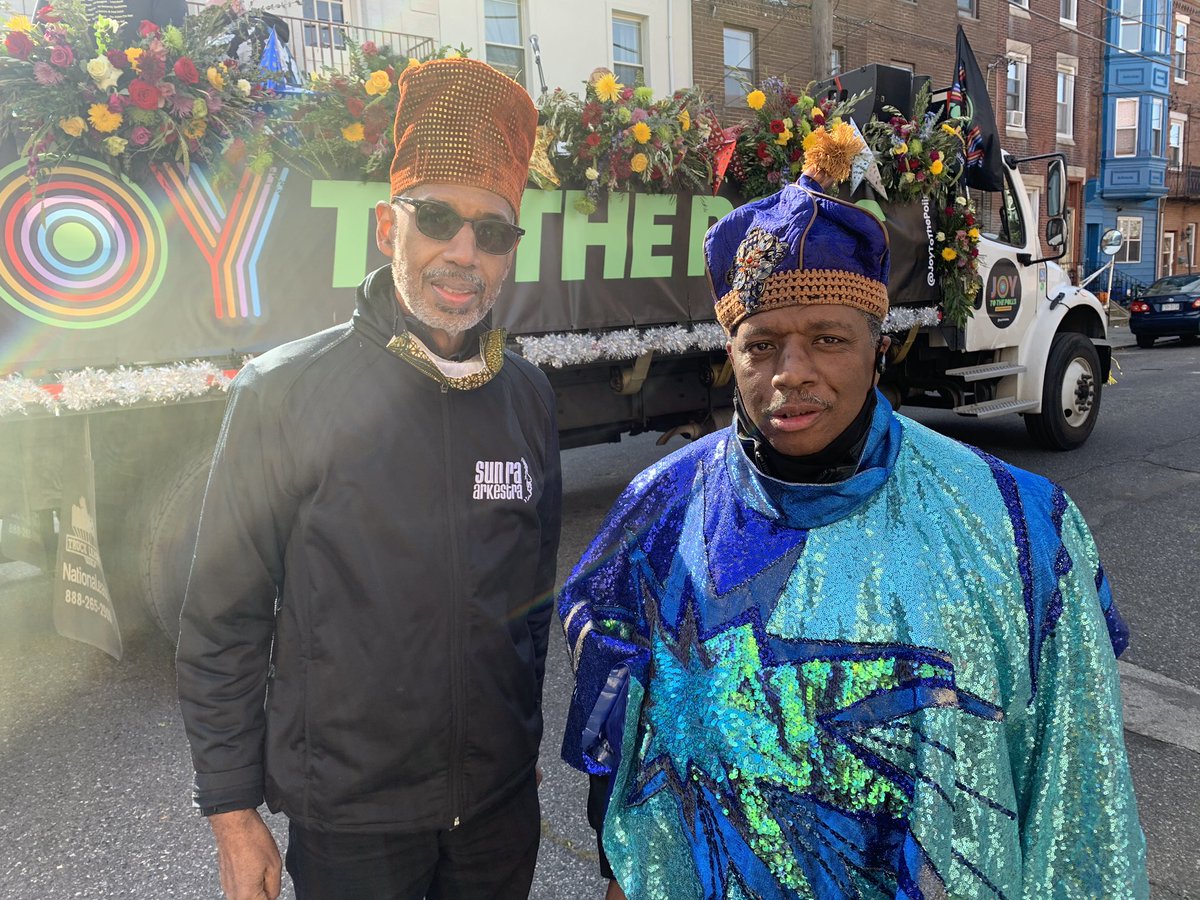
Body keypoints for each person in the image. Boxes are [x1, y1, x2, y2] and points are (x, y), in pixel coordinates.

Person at [559, 160, 1148, 896]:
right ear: (731, 358)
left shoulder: (1019, 526)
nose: (791, 373)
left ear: (878, 348)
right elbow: (620, 757)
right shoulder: (659, 515)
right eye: (761, 345)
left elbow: (1078, 797)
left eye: (829, 339)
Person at [177, 58, 561, 900]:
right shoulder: (285, 391)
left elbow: (531, 601)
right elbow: (222, 620)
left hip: (495, 818)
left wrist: (518, 750)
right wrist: (233, 815)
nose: (463, 253)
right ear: (391, 225)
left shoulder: (527, 396)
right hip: (354, 824)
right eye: (437, 219)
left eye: (492, 232)